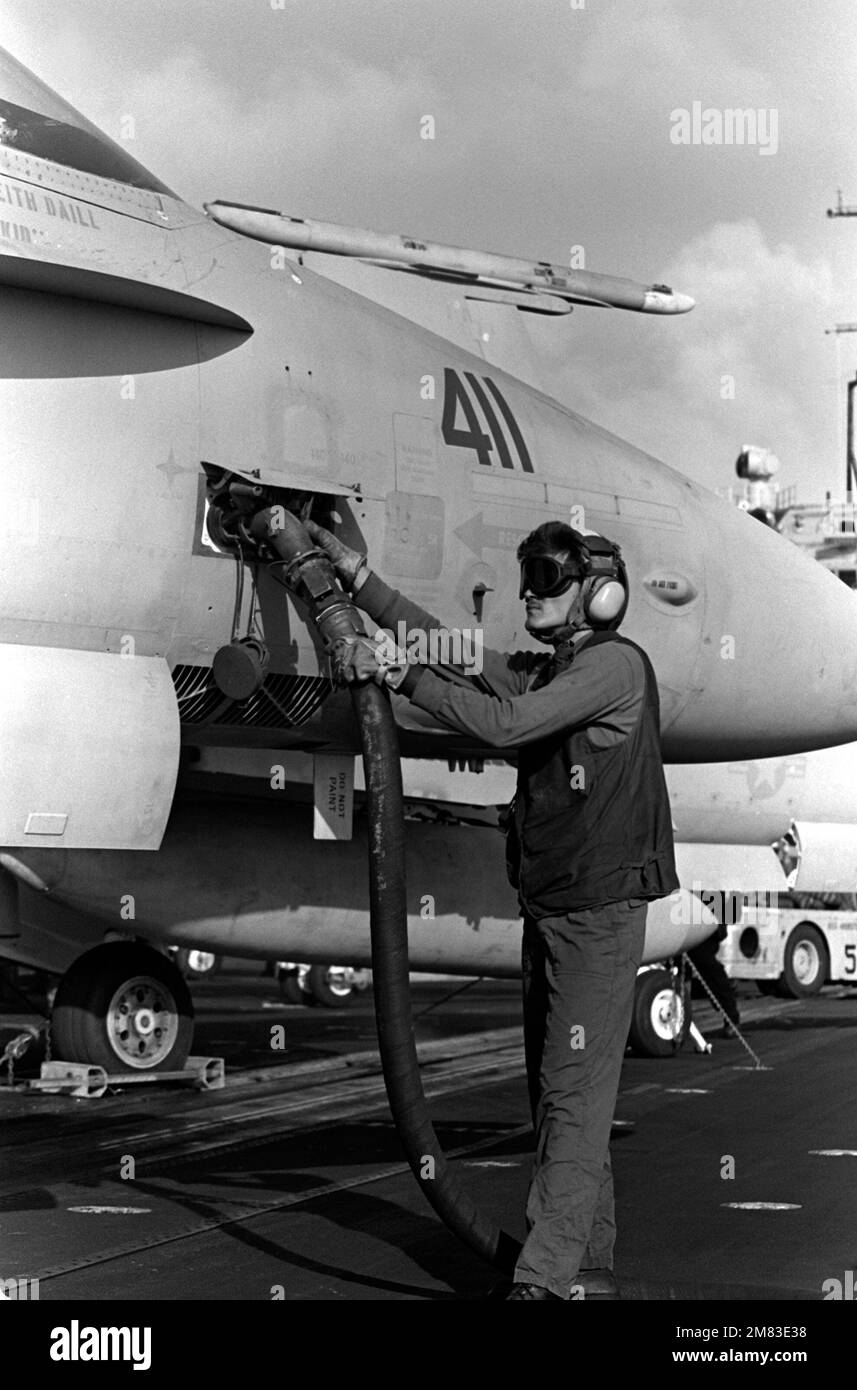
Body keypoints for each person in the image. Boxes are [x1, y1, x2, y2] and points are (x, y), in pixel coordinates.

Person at [305, 517, 679, 1301]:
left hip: (599, 914)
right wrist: (358, 581)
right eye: (527, 576)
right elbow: (458, 652)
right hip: (553, 907)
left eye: (545, 577)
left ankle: (539, 1284)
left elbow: (503, 724)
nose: (528, 594)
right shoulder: (554, 669)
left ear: (595, 593)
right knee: (559, 1095)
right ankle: (589, 1271)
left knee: (573, 1099)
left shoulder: (611, 670)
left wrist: (398, 676)